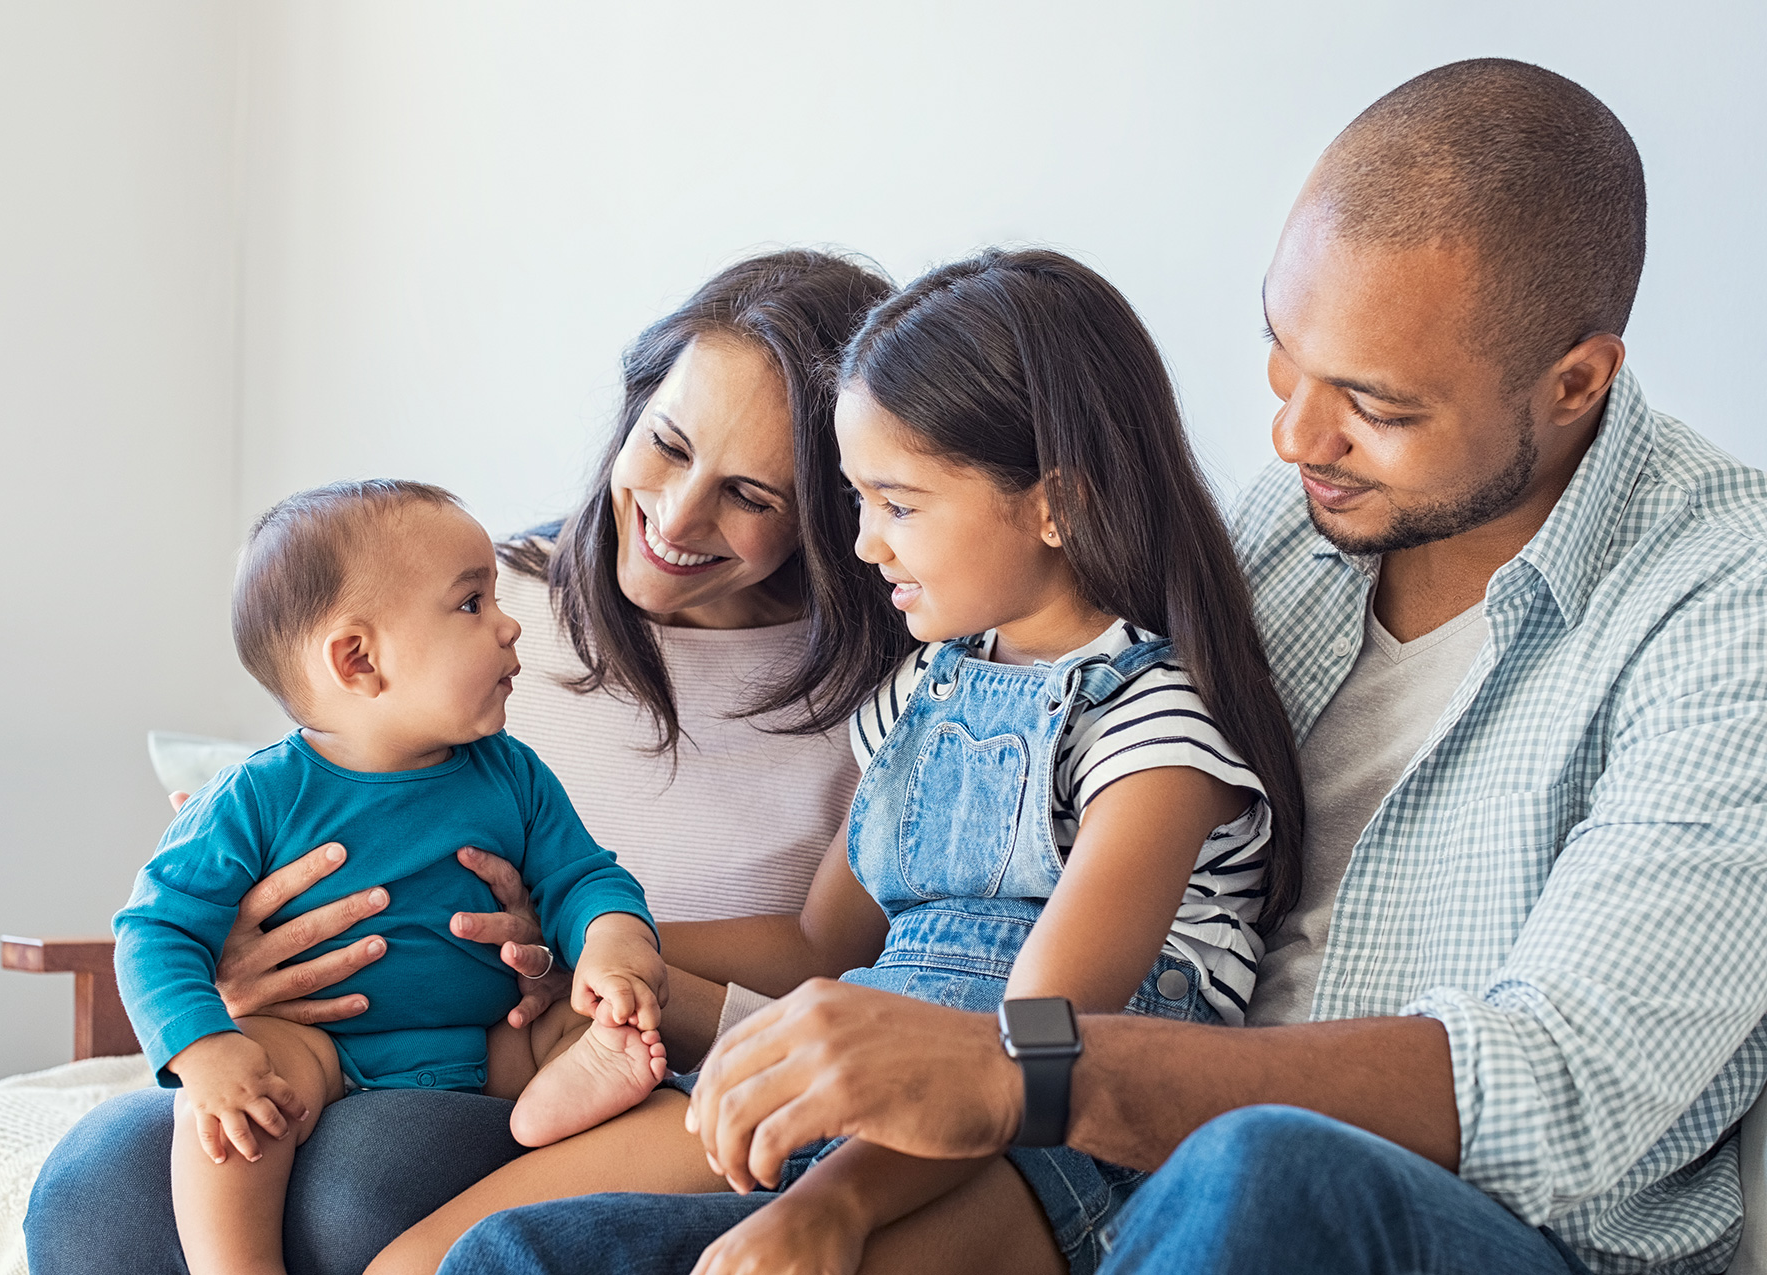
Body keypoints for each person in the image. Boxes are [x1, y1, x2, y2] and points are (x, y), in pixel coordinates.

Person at [448, 59, 1767, 1275]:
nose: (1295, 432)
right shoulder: (1286, 532)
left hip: (1439, 1220)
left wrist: (1025, 1068)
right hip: (1114, 1170)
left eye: (1378, 403)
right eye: (1282, 352)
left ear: (1578, 381)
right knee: (522, 1258)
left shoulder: (1723, 600)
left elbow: (1564, 1090)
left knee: (1260, 1169)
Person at [359, 248, 1307, 1275]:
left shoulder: (1151, 735)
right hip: (849, 1078)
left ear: (1056, 505)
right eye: (856, 502)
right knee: (440, 1260)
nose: (860, 546)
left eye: (896, 506)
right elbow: (821, 942)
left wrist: (831, 1209)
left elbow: (1036, 1053)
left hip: (1036, 1147)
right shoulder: (920, 695)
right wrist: (590, 935)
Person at [23, 252, 907, 1275]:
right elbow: (217, 873)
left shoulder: (887, 698)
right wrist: (226, 978)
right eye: (664, 445)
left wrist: (595, 949)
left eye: (751, 494)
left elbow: (846, 964)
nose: (675, 517)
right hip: (333, 1029)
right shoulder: (467, 606)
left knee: (361, 1182)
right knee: (98, 1181)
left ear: (839, 510)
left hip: (570, 1051)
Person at [117, 479, 672, 1273]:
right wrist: (205, 1053)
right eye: (472, 603)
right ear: (360, 658)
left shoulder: (512, 775)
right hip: (324, 1046)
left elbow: (583, 877)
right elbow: (155, 929)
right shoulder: (259, 794)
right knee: (239, 1107)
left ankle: (556, 1101)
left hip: (492, 1040)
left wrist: (614, 948)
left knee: (594, 1029)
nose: (511, 623)